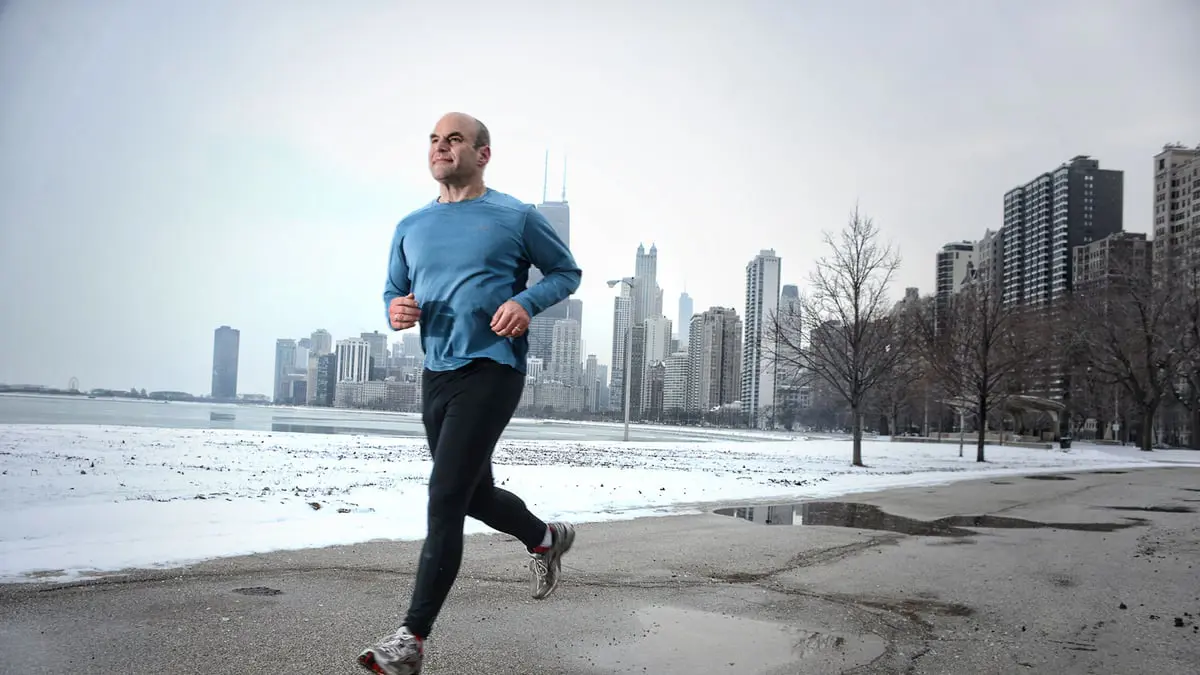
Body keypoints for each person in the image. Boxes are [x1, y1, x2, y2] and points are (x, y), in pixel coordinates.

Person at [357, 112, 582, 675]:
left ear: (482, 153)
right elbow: (393, 288)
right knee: (472, 495)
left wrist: (524, 303)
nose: (440, 147)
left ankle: (411, 640)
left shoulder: (515, 216)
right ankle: (546, 537)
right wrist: (396, 309)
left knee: (444, 496)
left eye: (453, 139)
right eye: (434, 140)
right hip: (436, 373)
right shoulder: (410, 225)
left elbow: (566, 272)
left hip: (493, 367)